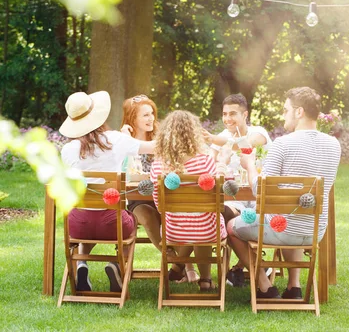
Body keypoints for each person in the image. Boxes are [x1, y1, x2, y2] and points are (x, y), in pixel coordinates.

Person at [227, 87, 341, 299]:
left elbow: (260, 190)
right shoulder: (334, 145)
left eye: (286, 110)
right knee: (291, 216)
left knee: (231, 227)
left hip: (282, 229)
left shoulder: (282, 144)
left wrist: (250, 165)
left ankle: (264, 286)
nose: (283, 115)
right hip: (315, 230)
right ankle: (294, 287)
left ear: (299, 112)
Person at [59, 91, 155, 293]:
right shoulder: (116, 139)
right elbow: (153, 147)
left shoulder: (67, 150)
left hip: (77, 226)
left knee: (89, 218)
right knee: (131, 220)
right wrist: (128, 139)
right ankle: (118, 266)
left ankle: (81, 265)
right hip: (113, 225)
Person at [150, 110, 228, 290]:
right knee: (203, 222)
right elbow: (217, 196)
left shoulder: (158, 165)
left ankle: (178, 265)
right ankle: (206, 280)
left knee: (192, 221)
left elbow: (159, 206)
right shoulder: (205, 162)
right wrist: (222, 164)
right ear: (193, 134)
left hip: (173, 232)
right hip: (208, 232)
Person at [204, 93, 273, 287]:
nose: (227, 119)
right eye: (225, 114)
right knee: (222, 211)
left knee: (228, 216)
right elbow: (210, 164)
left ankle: (245, 266)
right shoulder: (222, 137)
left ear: (245, 115)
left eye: (233, 113)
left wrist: (214, 139)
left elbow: (247, 144)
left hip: (259, 199)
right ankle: (252, 264)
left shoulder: (259, 132)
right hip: (234, 199)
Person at [119, 94, 161, 251]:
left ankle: (184, 267)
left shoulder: (159, 138)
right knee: (148, 216)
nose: (151, 118)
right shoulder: (121, 140)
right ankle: (175, 260)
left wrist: (127, 140)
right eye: (145, 115)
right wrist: (125, 140)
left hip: (164, 196)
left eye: (152, 114)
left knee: (178, 217)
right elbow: (124, 173)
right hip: (137, 199)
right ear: (133, 118)